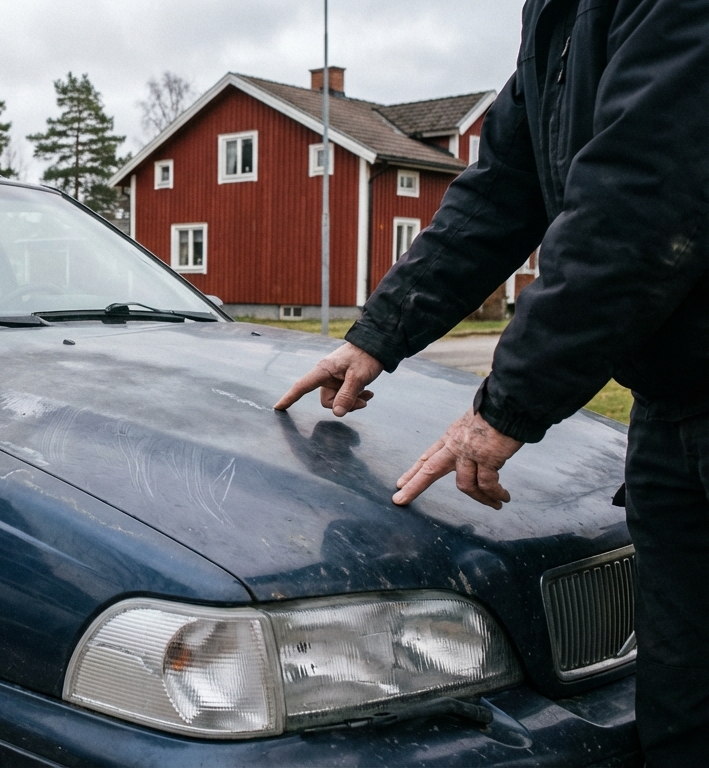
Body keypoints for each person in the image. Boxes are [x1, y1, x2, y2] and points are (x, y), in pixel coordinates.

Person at [272, 0, 709, 762]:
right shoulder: (556, 19)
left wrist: (503, 408)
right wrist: (377, 335)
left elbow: (638, 203)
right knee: (681, 704)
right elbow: (499, 191)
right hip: (674, 410)